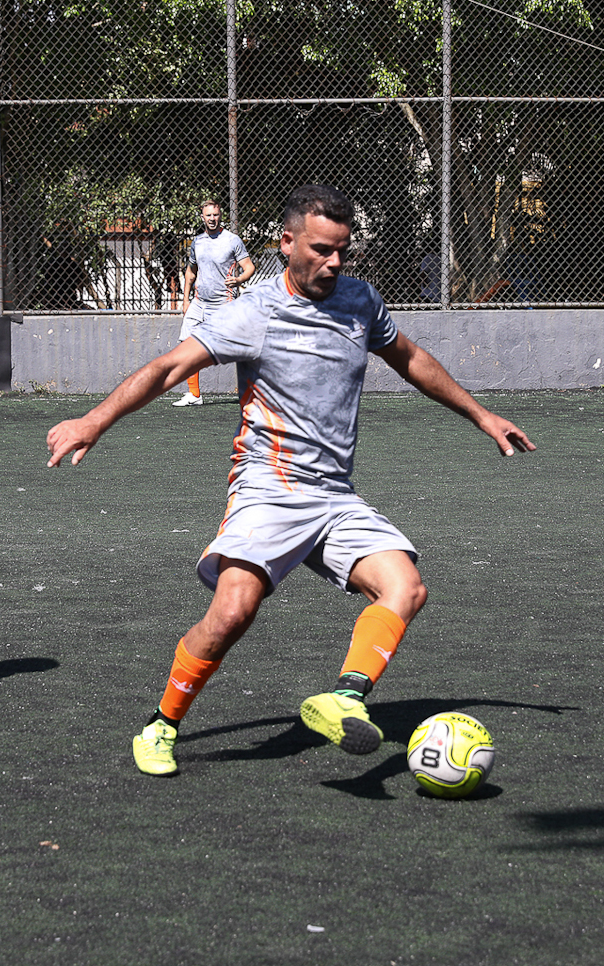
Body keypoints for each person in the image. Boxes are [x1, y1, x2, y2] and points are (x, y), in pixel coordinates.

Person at [47, 184, 534, 777]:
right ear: (286, 243)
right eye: (322, 250)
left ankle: (345, 698)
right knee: (231, 614)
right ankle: (162, 723)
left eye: (342, 251)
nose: (334, 262)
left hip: (333, 496)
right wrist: (93, 420)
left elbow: (410, 357)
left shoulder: (359, 301)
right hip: (268, 489)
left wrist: (483, 416)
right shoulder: (253, 313)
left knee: (405, 587)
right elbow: (170, 366)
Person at [173, 200, 255, 406]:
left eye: (215, 215)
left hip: (223, 304)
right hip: (198, 304)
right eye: (208, 215)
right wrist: (185, 301)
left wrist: (238, 280)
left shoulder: (232, 240)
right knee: (187, 346)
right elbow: (191, 272)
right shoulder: (197, 242)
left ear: (220, 216)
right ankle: (194, 395)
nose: (212, 219)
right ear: (202, 217)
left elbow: (249, 268)